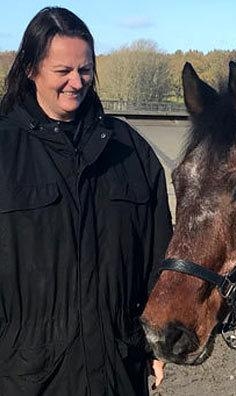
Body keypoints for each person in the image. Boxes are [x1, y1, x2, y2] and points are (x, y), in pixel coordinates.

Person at [0, 7, 172, 395]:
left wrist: (154, 344)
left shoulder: (129, 150)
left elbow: (157, 253)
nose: (76, 82)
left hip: (118, 367)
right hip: (25, 375)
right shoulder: (5, 150)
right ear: (30, 69)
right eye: (62, 71)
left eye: (85, 70)